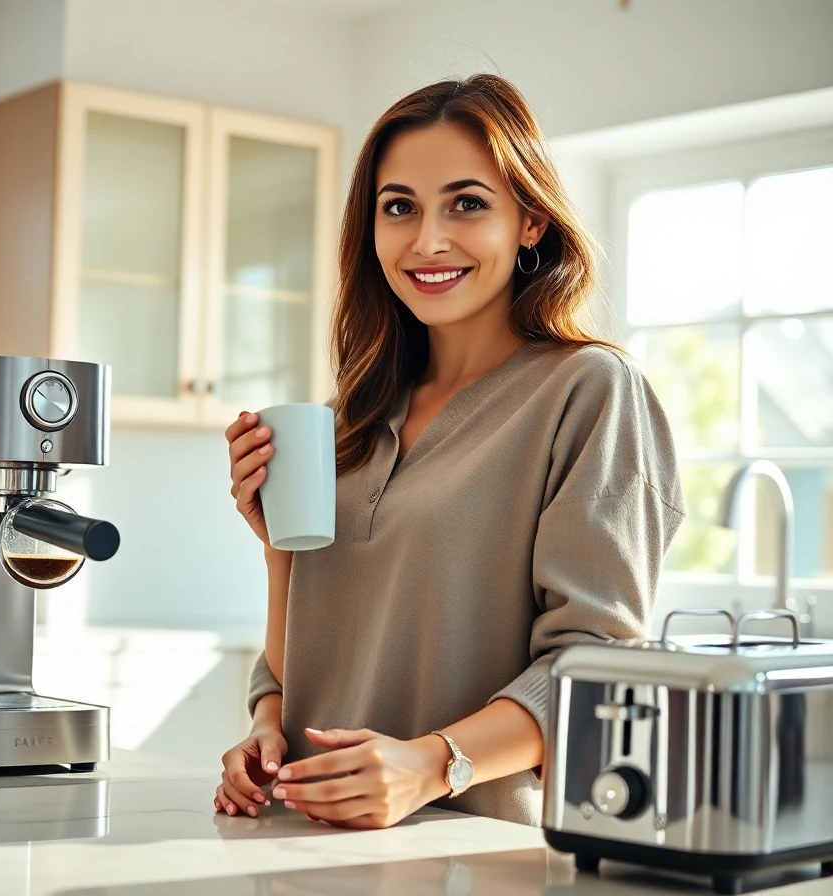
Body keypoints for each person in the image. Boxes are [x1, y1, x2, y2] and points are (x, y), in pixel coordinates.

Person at [215, 74, 686, 830]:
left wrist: (430, 764)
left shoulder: (588, 390)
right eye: (398, 207)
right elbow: (305, 657)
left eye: (467, 203)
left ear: (530, 221)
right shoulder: (350, 417)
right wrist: (267, 724)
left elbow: (595, 668)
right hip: (300, 847)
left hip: (475, 855)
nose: (427, 240)